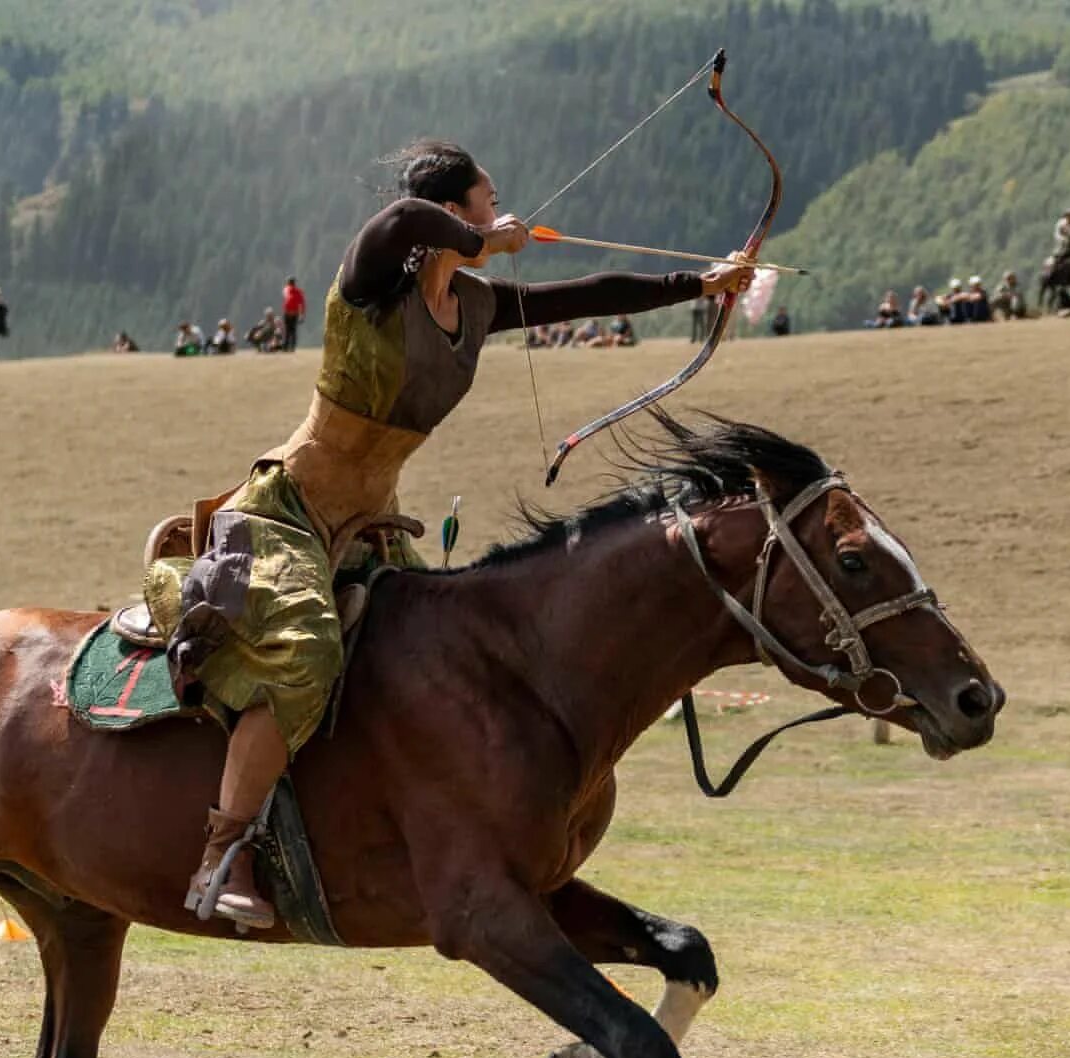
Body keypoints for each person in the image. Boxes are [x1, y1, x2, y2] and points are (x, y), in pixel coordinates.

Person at [145, 138, 754, 929]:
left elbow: (591, 294)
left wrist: (699, 283)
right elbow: (399, 220)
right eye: (485, 198)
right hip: (289, 510)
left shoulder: (475, 305)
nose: (501, 210)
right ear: (453, 211)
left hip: (372, 524)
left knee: (432, 666)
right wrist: (482, 241)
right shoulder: (370, 282)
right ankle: (220, 857)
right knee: (305, 655)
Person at [281, 277, 307, 352]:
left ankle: (286, 347)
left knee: (287, 331)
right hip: (294, 313)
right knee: (293, 331)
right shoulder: (298, 291)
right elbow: (302, 304)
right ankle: (291, 347)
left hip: (287, 313)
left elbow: (286, 296)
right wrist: (302, 315)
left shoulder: (286, 289)